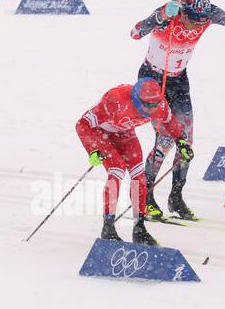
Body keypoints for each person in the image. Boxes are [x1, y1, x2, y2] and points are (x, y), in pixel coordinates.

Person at [130, 0, 225, 221]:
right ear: (183, 12)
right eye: (191, 20)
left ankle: (176, 196)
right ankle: (145, 196)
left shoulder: (208, 14)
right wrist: (160, 16)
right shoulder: (171, 10)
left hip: (178, 79)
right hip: (152, 78)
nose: (194, 26)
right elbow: (135, 32)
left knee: (185, 142)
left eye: (201, 22)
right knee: (166, 139)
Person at [75, 78, 189, 245]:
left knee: (138, 176)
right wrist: (93, 150)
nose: (151, 109)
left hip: (125, 134)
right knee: (117, 170)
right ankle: (108, 228)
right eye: (147, 105)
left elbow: (170, 122)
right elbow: (82, 124)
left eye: (155, 104)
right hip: (101, 134)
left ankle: (139, 228)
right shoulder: (116, 99)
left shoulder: (160, 106)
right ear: (136, 98)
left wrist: (181, 141)